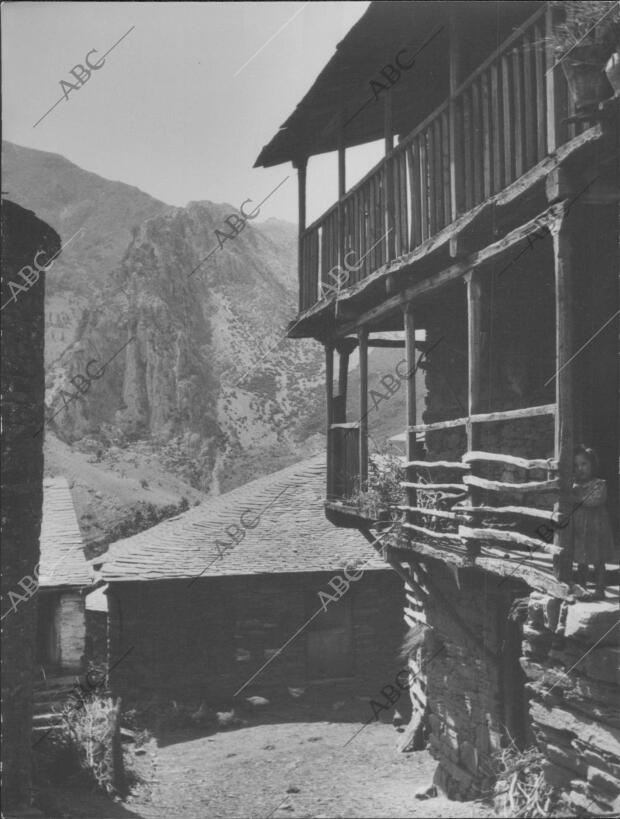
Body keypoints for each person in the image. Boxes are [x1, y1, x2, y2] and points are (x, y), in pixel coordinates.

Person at [571, 445, 616, 600]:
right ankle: (582, 588)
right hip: (580, 529)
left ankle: (599, 589)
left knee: (598, 559)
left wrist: (575, 495)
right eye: (576, 466)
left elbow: (593, 500)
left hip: (597, 529)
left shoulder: (599, 484)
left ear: (592, 465)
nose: (580, 469)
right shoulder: (574, 485)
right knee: (582, 561)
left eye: (584, 464)